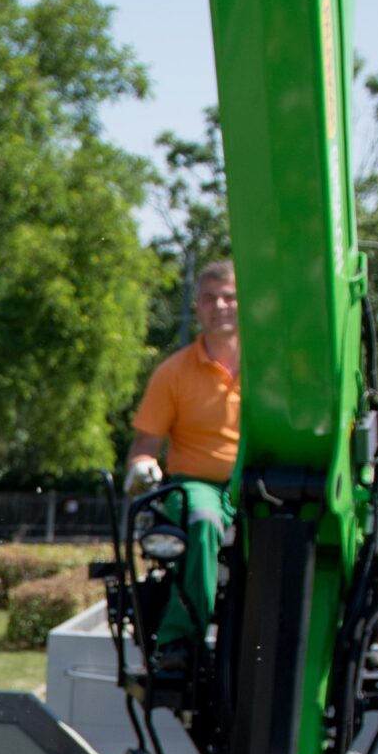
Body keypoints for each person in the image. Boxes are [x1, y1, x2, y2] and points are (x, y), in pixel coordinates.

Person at [124, 260, 240, 654]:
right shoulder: (174, 373)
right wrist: (142, 467)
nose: (219, 306)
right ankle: (180, 641)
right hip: (196, 486)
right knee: (203, 520)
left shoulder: (268, 372)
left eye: (229, 297)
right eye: (209, 298)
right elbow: (145, 446)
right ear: (198, 307)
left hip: (252, 485)